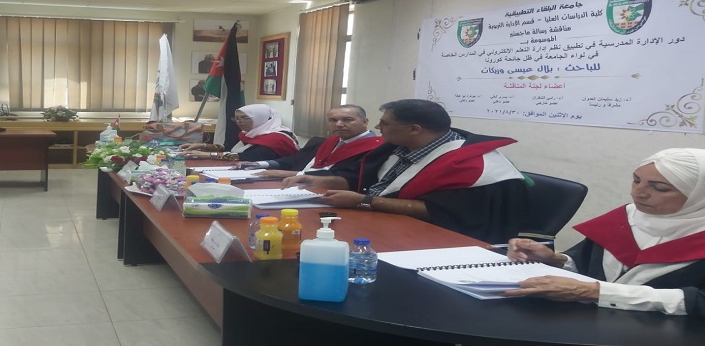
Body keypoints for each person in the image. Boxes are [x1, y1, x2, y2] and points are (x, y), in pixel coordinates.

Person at [504, 148, 705, 324]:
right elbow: (591, 266)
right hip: (589, 324)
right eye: (636, 180)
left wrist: (596, 292)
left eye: (660, 188)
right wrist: (556, 260)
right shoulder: (630, 216)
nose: (639, 193)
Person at [282, 99, 529, 244]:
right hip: (380, 222)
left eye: (385, 123)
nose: (378, 127)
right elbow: (364, 181)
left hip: (439, 241)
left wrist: (365, 201)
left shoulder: (472, 165)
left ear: (414, 129)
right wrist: (319, 180)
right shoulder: (398, 147)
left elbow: (441, 212)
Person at [242, 105, 383, 185]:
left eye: (347, 120)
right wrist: (261, 164)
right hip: (293, 186)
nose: (339, 124)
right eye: (333, 120)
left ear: (365, 122)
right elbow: (296, 160)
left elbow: (343, 177)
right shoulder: (329, 141)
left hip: (325, 191)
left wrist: (291, 174)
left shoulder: (375, 148)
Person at [180, 104, 298, 162]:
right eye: (236, 118)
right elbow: (230, 148)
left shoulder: (276, 138)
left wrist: (208, 155)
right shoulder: (250, 133)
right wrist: (204, 146)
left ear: (260, 118)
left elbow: (250, 157)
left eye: (244, 118)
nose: (239, 121)